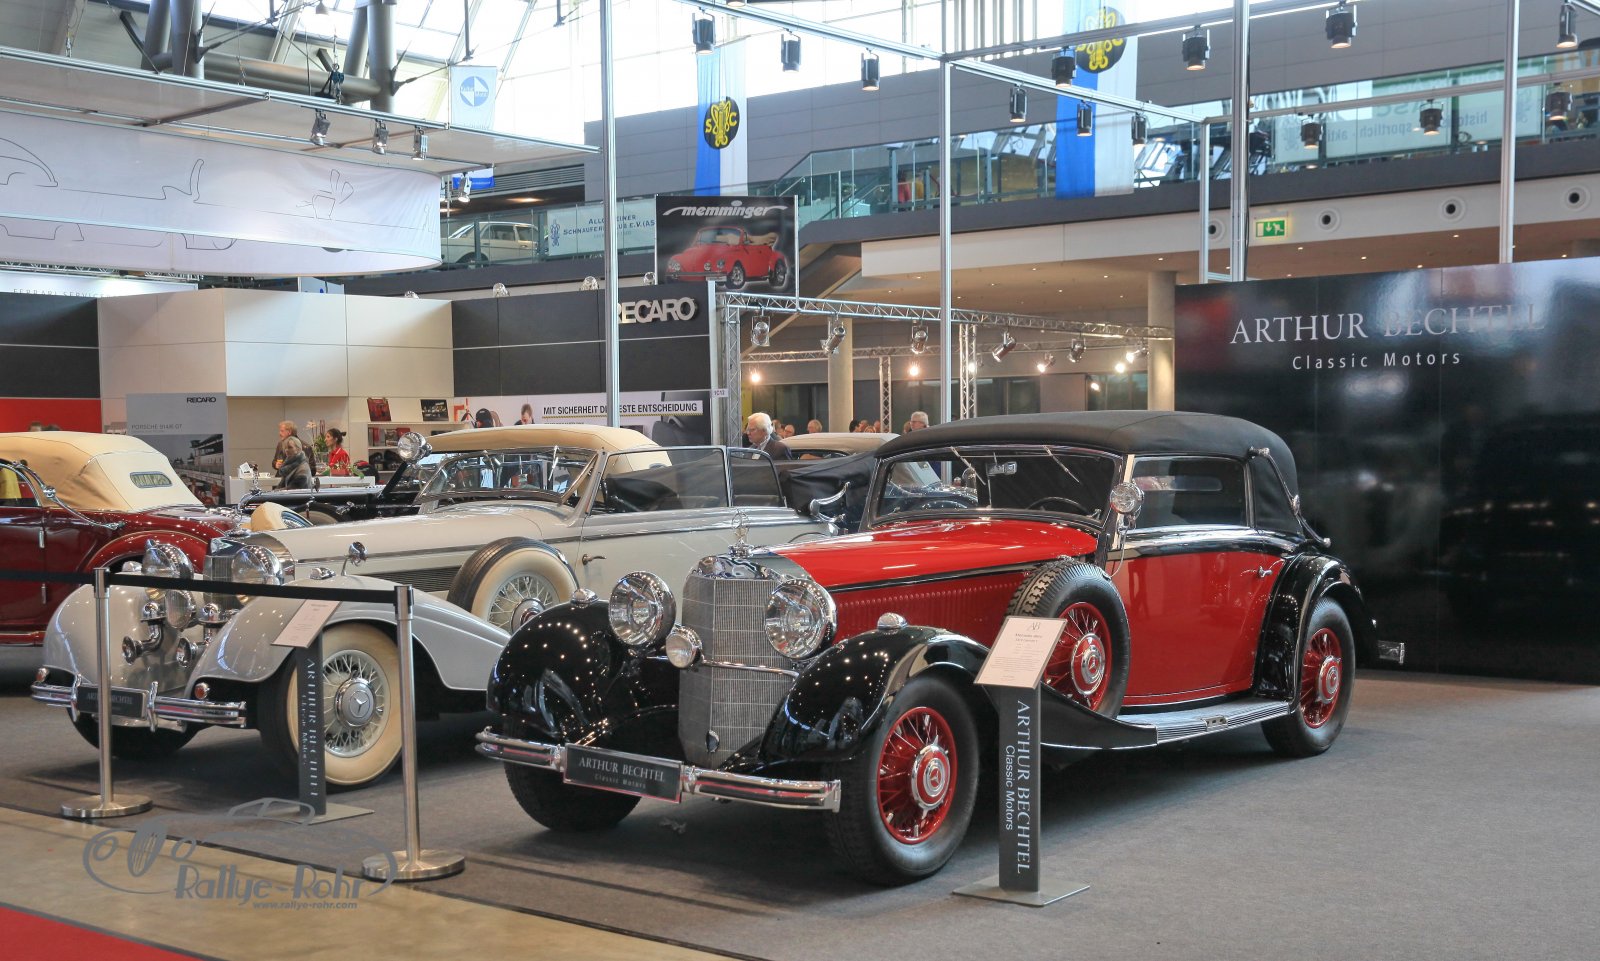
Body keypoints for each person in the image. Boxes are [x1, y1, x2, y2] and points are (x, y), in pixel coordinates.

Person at [273, 421, 312, 489]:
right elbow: (274, 461)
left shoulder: (305, 447)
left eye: (282, 431)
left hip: (295, 492)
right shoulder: (280, 445)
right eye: (285, 448)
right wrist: (275, 464)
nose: (286, 450)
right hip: (284, 487)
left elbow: (295, 488)